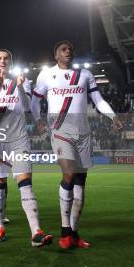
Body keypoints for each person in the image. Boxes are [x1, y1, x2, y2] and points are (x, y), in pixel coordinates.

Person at [31, 40, 123, 249]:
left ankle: (74, 233)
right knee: (69, 172)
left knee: (80, 182)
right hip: (60, 130)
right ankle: (64, 231)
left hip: (83, 132)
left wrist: (113, 116)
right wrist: (38, 120)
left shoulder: (85, 75)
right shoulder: (46, 75)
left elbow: (98, 100)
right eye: (63, 49)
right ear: (56, 55)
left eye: (70, 49)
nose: (68, 51)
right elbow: (35, 101)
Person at [0, 49, 52, 246]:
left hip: (19, 138)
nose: (3, 61)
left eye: (6, 59)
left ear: (11, 62)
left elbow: (27, 106)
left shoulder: (23, 80)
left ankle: (36, 232)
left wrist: (19, 87)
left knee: (25, 182)